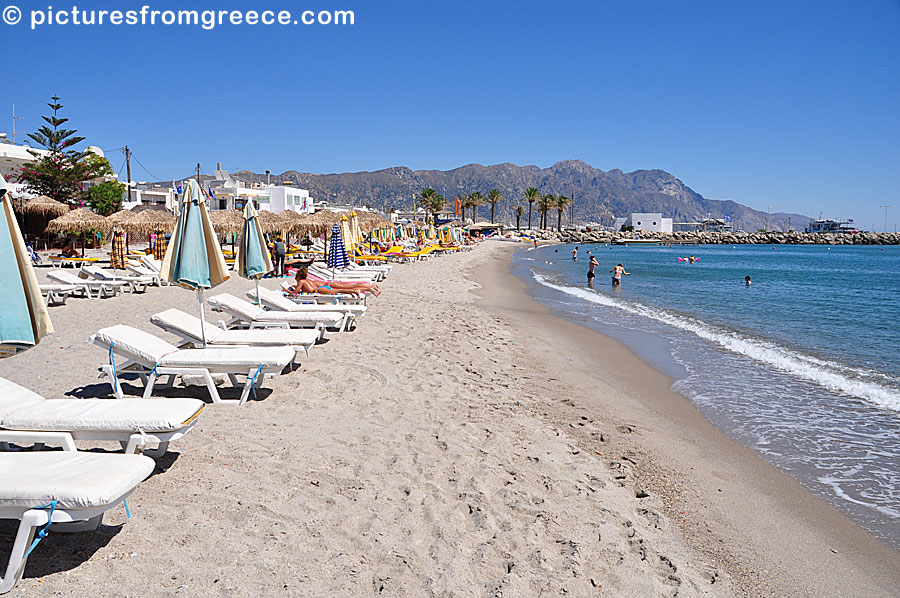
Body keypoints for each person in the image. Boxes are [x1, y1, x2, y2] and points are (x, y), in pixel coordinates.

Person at [289, 264, 381, 297]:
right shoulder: (308, 280)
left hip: (328, 285)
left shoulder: (301, 282)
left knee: (351, 286)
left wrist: (287, 290)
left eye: (296, 279)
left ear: (298, 277)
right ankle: (370, 287)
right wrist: (295, 286)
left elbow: (295, 292)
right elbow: (302, 288)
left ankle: (370, 288)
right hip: (329, 283)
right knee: (352, 285)